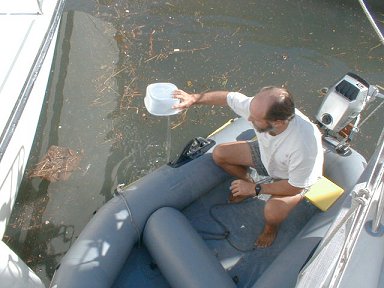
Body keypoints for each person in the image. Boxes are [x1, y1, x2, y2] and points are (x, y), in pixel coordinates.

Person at [172, 86, 324, 248]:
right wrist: (194, 98)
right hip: (268, 155)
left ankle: (270, 229)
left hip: (293, 179)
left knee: (272, 212)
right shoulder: (258, 108)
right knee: (220, 154)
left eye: (256, 118)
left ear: (278, 122)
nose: (249, 118)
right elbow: (229, 98)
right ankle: (247, 179)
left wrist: (255, 189)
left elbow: (294, 187)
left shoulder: (304, 146)